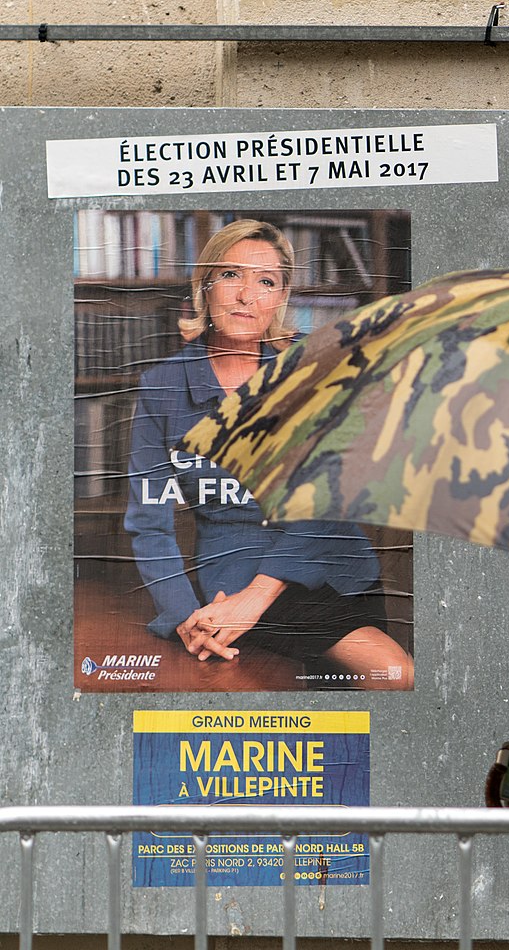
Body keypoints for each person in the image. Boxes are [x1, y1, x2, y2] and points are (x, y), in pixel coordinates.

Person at [123, 218, 414, 688]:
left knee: (391, 678)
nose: (246, 296)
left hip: (329, 565)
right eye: (231, 275)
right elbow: (149, 521)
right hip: (233, 574)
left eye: (266, 282)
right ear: (205, 286)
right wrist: (186, 618)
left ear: (281, 297)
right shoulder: (162, 387)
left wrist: (253, 600)